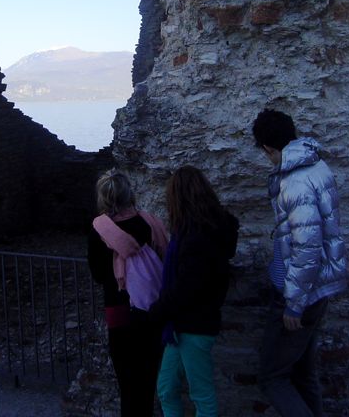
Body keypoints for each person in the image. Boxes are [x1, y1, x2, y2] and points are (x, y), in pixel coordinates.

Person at [252, 108, 347, 417]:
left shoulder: (294, 182)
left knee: (271, 378)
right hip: (319, 287)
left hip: (300, 293)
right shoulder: (316, 164)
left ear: (268, 148)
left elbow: (307, 246)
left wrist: (294, 302)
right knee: (302, 372)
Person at [149, 165, 239, 417]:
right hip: (183, 325)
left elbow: (186, 286)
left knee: (202, 395)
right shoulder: (201, 232)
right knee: (166, 388)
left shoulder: (196, 238)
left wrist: (156, 312)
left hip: (194, 325)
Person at [88, 169, 168, 417]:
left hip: (118, 309)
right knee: (148, 378)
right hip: (150, 308)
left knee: (127, 382)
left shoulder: (99, 229)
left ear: (103, 197)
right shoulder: (149, 221)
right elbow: (165, 256)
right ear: (129, 193)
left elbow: (99, 275)